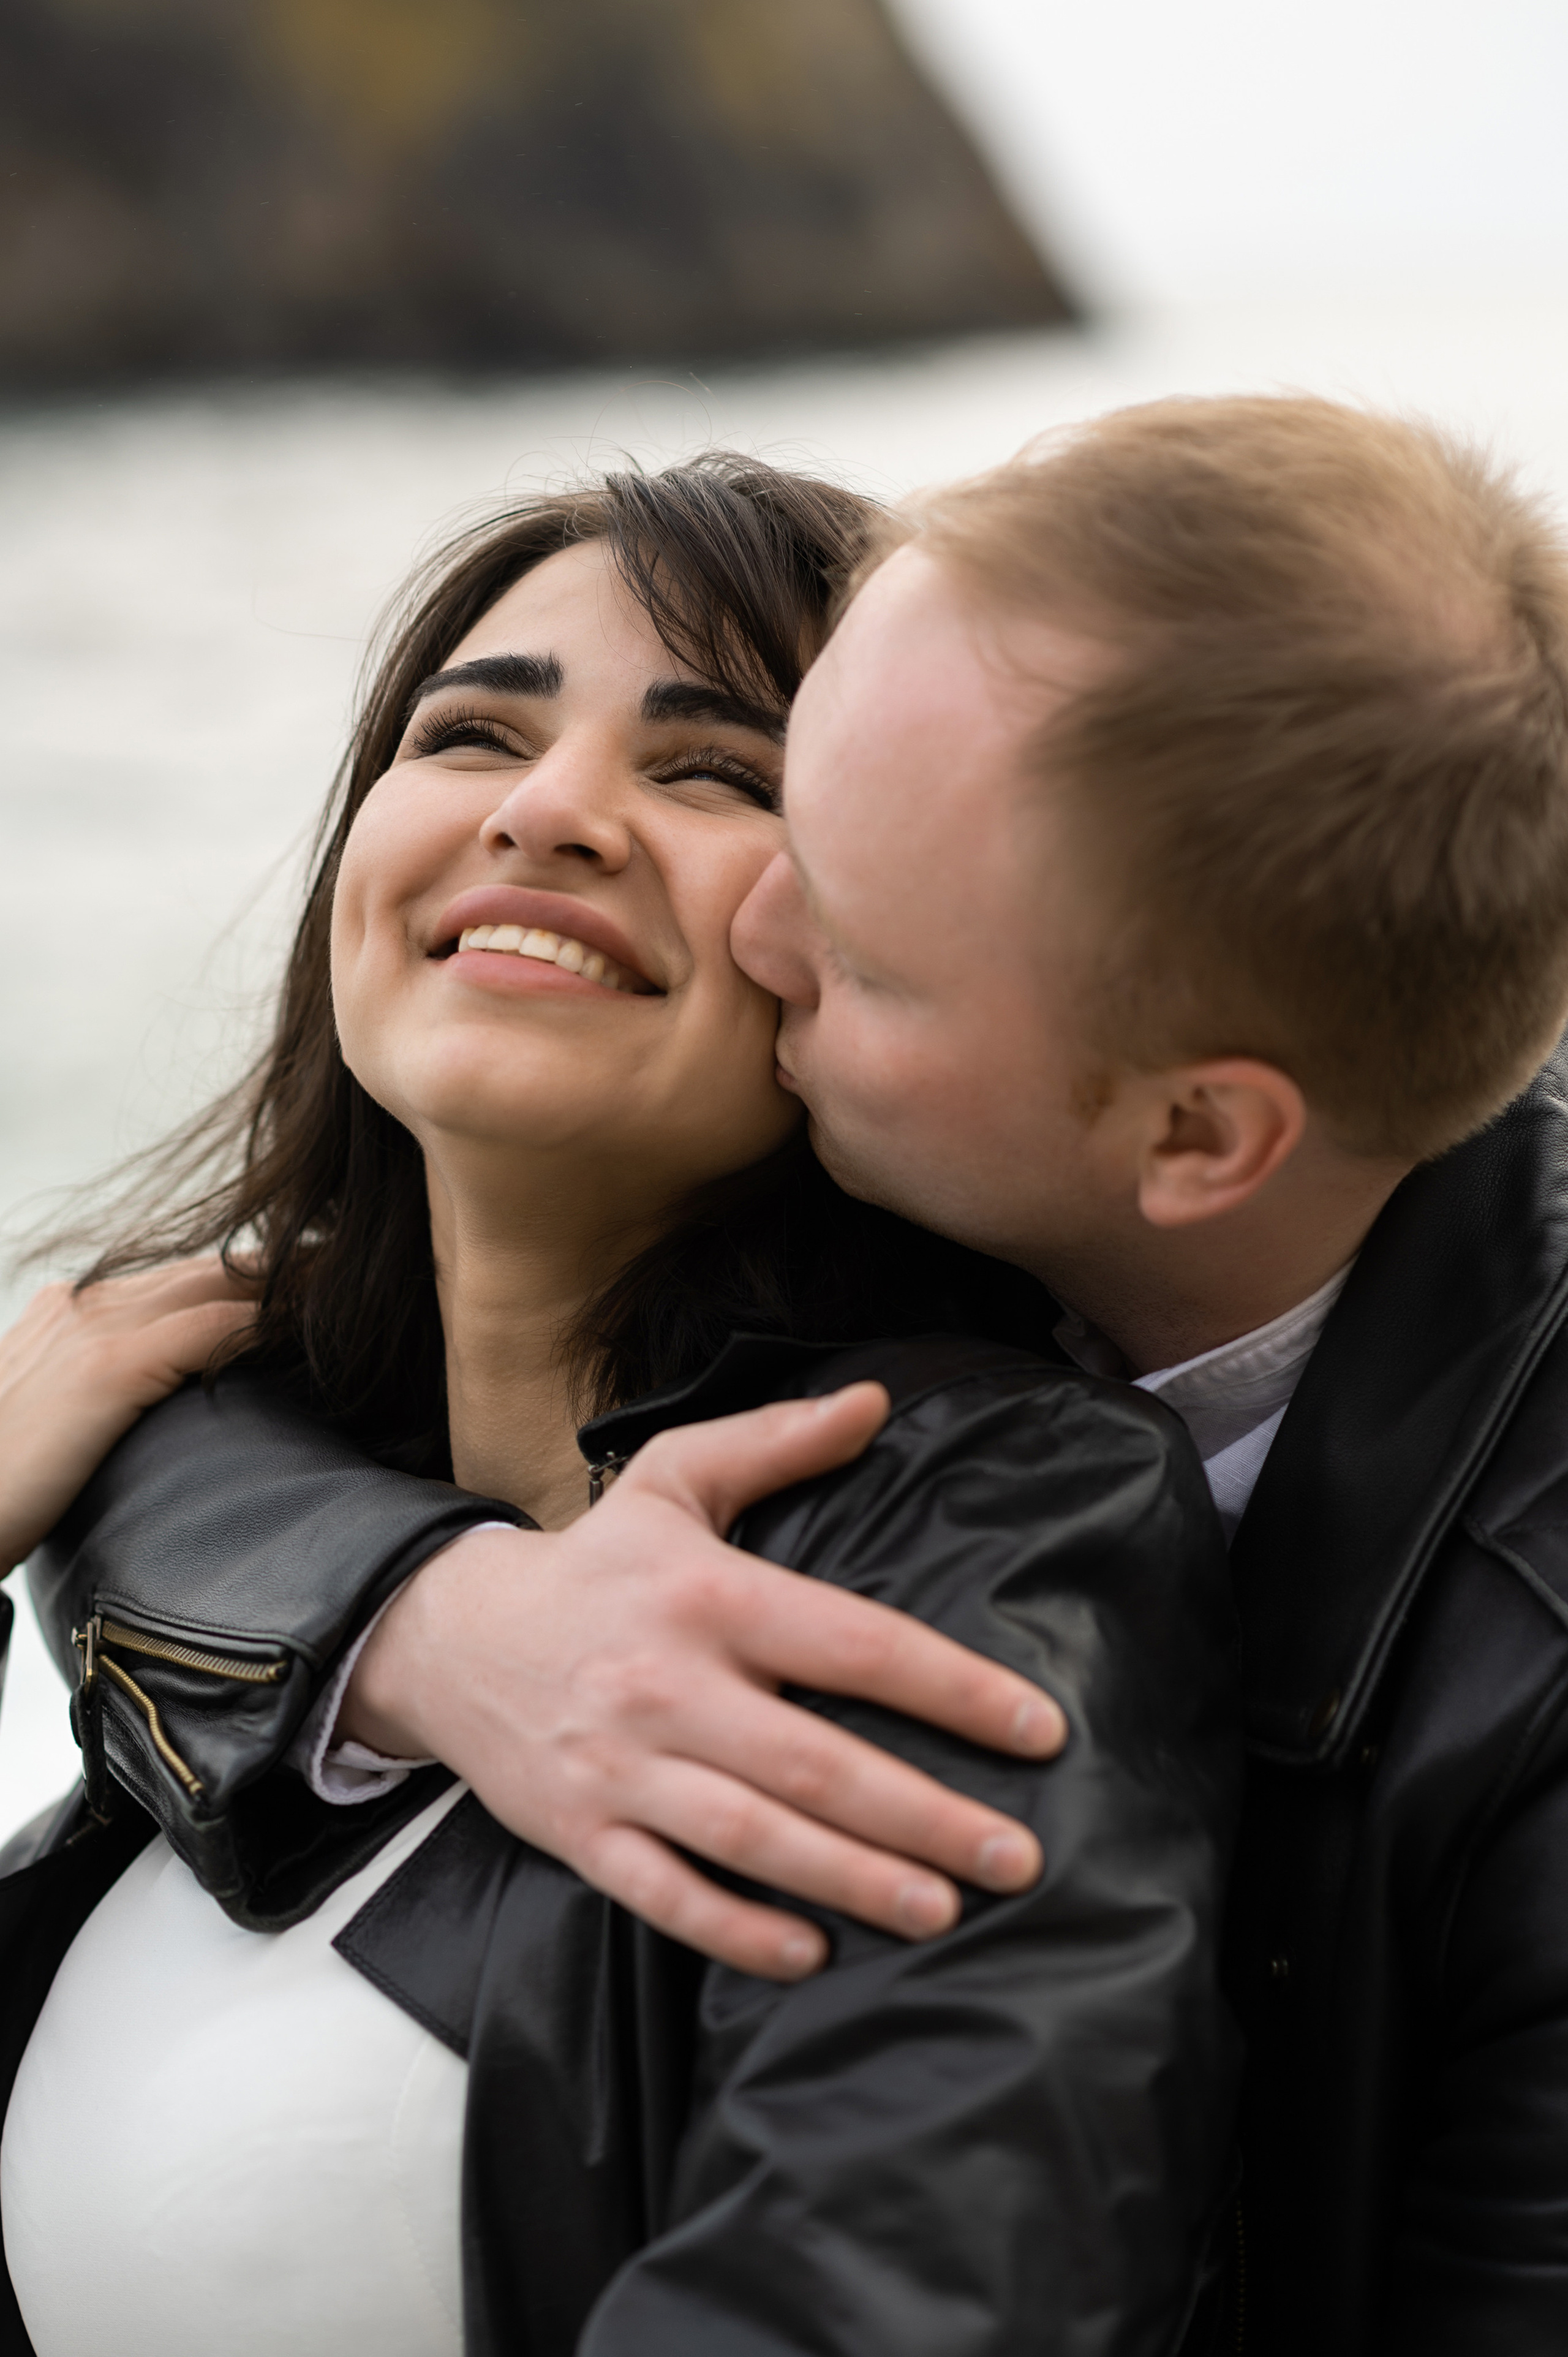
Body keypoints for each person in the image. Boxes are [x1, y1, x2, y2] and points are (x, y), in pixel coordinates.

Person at [12, 390, 1568, 2353]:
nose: (558, 817)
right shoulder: (254, 1405)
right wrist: (411, 1613)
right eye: (469, 729)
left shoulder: (1011, 1549)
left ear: (1193, 1139)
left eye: (758, 804)